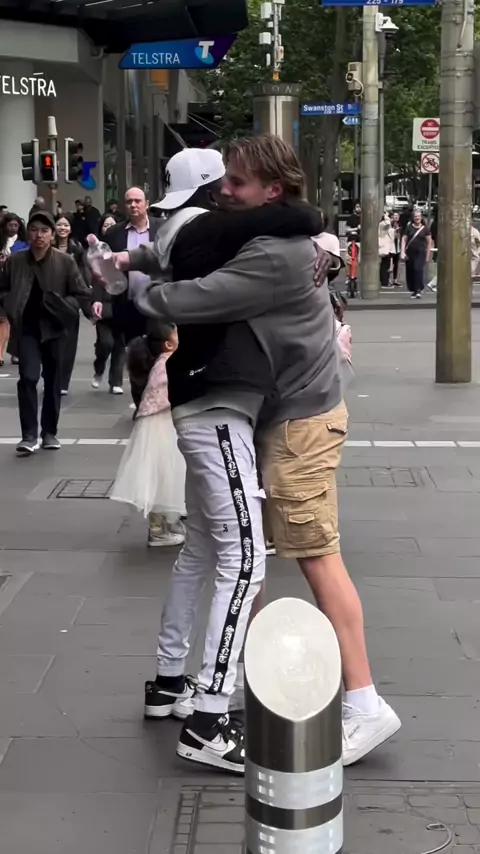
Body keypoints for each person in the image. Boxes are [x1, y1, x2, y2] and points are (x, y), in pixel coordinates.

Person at [123, 137, 399, 771]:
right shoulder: (271, 234)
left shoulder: (276, 254)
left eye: (238, 182)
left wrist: (137, 289)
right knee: (246, 555)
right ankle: (230, 688)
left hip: (300, 419)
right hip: (276, 414)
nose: (225, 190)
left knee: (313, 557)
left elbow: (193, 296)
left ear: (271, 191)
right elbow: (203, 240)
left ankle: (364, 703)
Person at [0, 210, 93, 456]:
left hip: (55, 328)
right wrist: (9, 303)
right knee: (28, 378)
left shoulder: (65, 262)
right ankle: (29, 435)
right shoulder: (15, 261)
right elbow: (3, 289)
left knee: (53, 381)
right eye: (34, 230)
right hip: (27, 329)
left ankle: (49, 432)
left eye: (44, 230)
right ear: (28, 233)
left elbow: (81, 293)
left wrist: (65, 306)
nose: (38, 235)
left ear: (51, 234)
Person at [110, 323, 186, 547]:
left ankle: (165, 525)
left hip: (157, 425)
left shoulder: (161, 362)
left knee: (163, 477)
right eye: (177, 335)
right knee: (164, 478)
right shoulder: (169, 363)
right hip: (162, 426)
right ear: (168, 344)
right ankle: (158, 531)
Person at [53, 214, 92, 395]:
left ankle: (63, 383)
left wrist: (87, 305)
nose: (62, 228)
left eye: (66, 225)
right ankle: (50, 377)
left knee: (68, 344)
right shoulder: (46, 247)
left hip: (69, 301)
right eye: (59, 224)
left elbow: (83, 277)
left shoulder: (77, 249)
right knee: (50, 343)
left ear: (70, 229)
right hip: (48, 300)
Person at [90, 214, 126, 394]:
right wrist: (96, 299)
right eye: (106, 224)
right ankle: (99, 368)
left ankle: (116, 381)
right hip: (104, 305)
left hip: (122, 302)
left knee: (120, 344)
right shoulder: (96, 253)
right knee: (105, 343)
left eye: (112, 224)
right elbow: (95, 279)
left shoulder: (122, 249)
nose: (109, 227)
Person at [0, 214, 29, 365]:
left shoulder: (23, 243)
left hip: (16, 283)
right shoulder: (1, 241)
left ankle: (16, 351)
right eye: (10, 225)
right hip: (1, 282)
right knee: (2, 318)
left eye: (16, 225)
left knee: (16, 318)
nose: (13, 228)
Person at [401, 208, 431, 298]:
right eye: (415, 216)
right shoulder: (409, 227)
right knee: (410, 271)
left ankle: (418, 289)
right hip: (410, 253)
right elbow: (404, 239)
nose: (417, 218)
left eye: (419, 216)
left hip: (421, 252)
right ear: (413, 218)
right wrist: (402, 252)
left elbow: (429, 242)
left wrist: (427, 255)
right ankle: (413, 289)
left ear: (421, 218)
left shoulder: (425, 229)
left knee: (418, 269)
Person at [378, 212, 395, 289]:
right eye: (390, 217)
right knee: (385, 265)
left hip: (387, 246)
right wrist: (386, 216)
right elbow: (387, 223)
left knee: (385, 264)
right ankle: (384, 282)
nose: (391, 219)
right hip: (384, 246)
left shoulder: (385, 225)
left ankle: (385, 281)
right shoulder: (382, 224)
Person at [391, 211, 402, 286]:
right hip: (391, 246)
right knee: (390, 264)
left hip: (397, 246)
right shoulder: (389, 224)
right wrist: (394, 231)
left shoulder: (400, 225)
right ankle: (388, 279)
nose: (396, 217)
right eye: (395, 215)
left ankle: (395, 279)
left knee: (396, 264)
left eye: (397, 215)